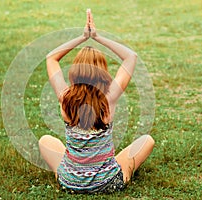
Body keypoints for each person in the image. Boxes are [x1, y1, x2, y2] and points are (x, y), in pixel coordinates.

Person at [38, 9, 155, 194]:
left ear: (76, 70)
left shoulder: (65, 97)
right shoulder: (109, 98)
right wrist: (98, 37)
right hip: (108, 183)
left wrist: (83, 37)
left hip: (70, 182)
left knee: (45, 140)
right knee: (146, 140)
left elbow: (51, 58)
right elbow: (130, 57)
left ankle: (77, 174)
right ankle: (100, 170)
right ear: (103, 71)